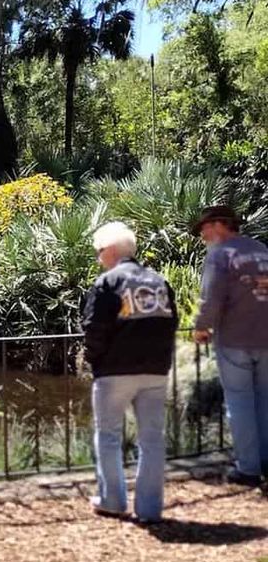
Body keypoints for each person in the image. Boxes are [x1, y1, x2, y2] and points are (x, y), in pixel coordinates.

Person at [82, 221, 178, 523]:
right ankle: (149, 510)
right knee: (152, 439)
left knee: (108, 435)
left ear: (110, 251)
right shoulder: (159, 281)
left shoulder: (107, 283)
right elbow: (171, 322)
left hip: (114, 371)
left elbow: (94, 329)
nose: (99, 258)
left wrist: (93, 360)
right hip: (155, 371)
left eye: (99, 252)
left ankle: (112, 500)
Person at [191, 205, 268, 487]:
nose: (202, 234)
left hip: (236, 340)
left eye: (204, 228)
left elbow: (211, 298)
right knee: (265, 401)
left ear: (219, 225)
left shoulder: (220, 255)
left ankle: (248, 469)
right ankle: (264, 461)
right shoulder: (261, 249)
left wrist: (201, 327)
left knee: (240, 403)